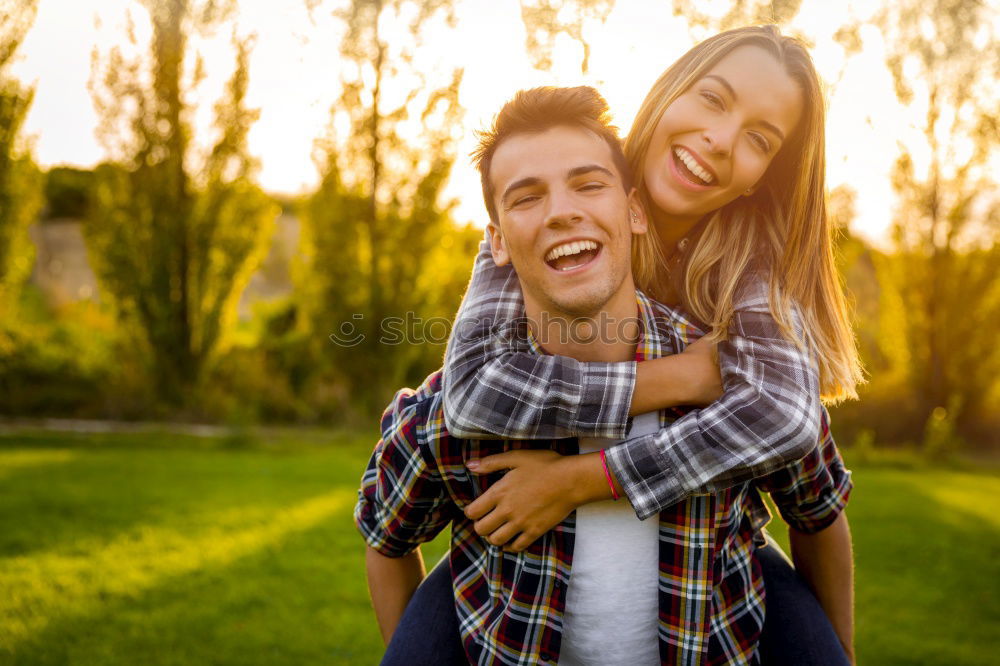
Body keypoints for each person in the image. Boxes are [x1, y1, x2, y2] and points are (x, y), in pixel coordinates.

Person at [356, 85, 854, 665]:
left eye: (589, 184)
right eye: (525, 198)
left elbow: (819, 515)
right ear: (496, 244)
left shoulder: (740, 382)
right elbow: (386, 538)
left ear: (635, 210)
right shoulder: (453, 409)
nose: (562, 211)